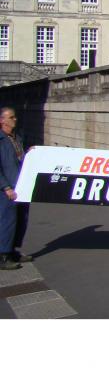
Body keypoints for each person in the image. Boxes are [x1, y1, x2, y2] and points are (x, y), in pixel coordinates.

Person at [0, 107, 30, 269]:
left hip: (21, 185)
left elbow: (20, 158)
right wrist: (6, 187)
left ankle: (12, 250)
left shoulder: (16, 137)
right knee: (7, 221)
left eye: (15, 117)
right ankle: (3, 255)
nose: (15, 120)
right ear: (2, 120)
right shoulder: (1, 140)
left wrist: (30, 153)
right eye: (11, 117)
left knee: (21, 219)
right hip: (8, 188)